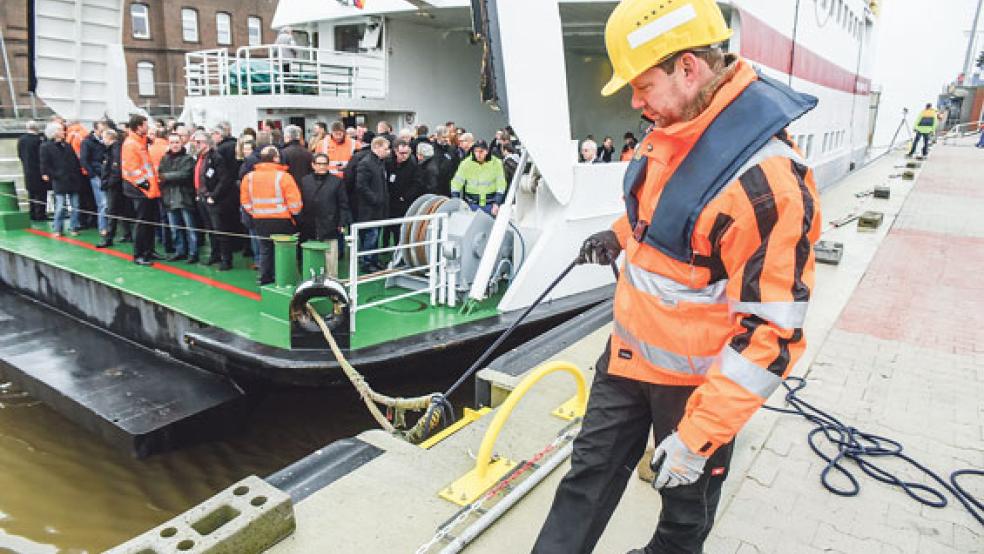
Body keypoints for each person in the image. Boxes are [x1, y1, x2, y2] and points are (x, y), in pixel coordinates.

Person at [533, 1, 821, 553]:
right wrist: (619, 235)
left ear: (688, 68)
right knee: (584, 482)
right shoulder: (675, 125)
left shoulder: (769, 184)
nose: (636, 103)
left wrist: (697, 438)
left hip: (696, 391)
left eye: (641, 86)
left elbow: (772, 334)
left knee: (683, 518)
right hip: (627, 357)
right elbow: (668, 216)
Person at [241, 146, 302, 285]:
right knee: (284, 249)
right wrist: (295, 215)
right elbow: (295, 202)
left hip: (260, 220)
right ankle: (284, 278)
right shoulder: (284, 176)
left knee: (265, 249)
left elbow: (245, 201)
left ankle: (265, 277)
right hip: (283, 220)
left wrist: (255, 212)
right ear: (276, 158)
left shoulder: (249, 177)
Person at [121, 114, 161, 265]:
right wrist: (146, 185)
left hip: (146, 188)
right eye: (145, 125)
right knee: (142, 222)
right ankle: (139, 254)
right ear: (139, 127)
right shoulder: (131, 144)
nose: (148, 128)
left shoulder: (138, 141)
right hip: (139, 189)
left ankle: (149, 251)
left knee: (149, 221)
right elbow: (133, 170)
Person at [192, 130, 234, 270]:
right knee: (210, 229)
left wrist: (213, 196)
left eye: (198, 142)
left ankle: (226, 259)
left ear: (206, 142)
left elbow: (224, 179)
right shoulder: (200, 157)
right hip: (202, 197)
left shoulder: (216, 158)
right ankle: (215, 254)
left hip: (213, 200)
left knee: (219, 230)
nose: (196, 145)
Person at [300, 152, 350, 259]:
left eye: (324, 164)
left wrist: (342, 223)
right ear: (313, 165)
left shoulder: (337, 182)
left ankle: (331, 276)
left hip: (330, 227)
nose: (322, 166)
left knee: (330, 261)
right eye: (319, 163)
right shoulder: (305, 181)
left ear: (328, 165)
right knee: (312, 260)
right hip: (310, 227)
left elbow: (343, 204)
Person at [158, 132, 199, 263]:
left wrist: (166, 176)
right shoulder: (164, 159)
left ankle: (193, 252)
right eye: (172, 142)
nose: (174, 145)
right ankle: (180, 251)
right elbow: (160, 173)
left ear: (181, 143)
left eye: (177, 142)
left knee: (190, 228)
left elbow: (185, 175)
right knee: (175, 228)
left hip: (184, 198)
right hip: (169, 197)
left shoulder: (188, 159)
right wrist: (167, 177)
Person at [39, 121, 84, 237]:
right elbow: (44, 163)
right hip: (59, 180)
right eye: (60, 130)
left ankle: (74, 226)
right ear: (55, 133)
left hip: (72, 179)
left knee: (76, 205)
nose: (63, 132)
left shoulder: (67, 145)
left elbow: (75, 161)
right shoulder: (46, 146)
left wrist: (78, 174)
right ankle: (58, 228)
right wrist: (51, 174)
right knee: (60, 206)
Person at [354, 136, 391, 272]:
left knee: (375, 235)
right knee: (371, 235)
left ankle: (373, 260)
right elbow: (361, 186)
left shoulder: (379, 163)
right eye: (385, 148)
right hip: (370, 209)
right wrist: (375, 199)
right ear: (376, 147)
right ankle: (367, 262)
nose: (388, 151)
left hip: (378, 208)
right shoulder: (366, 163)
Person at [450, 140, 507, 215]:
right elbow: (456, 183)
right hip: (472, 205)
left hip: (490, 205)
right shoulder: (466, 163)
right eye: (476, 151)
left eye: (481, 151)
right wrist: (456, 201)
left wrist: (497, 203)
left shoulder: (496, 163)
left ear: (487, 151)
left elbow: (501, 184)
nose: (478, 154)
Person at [385, 139, 423, 245]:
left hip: (403, 202)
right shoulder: (388, 163)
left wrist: (405, 197)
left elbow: (417, 183)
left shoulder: (413, 165)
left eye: (407, 153)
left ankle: (398, 248)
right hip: (389, 200)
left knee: (400, 228)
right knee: (387, 227)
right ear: (395, 151)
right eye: (402, 153)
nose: (404, 156)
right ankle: (384, 246)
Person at [98, 128, 131, 247]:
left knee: (112, 211)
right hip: (116, 185)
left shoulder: (115, 150)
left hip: (114, 186)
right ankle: (127, 234)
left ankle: (109, 238)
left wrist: (108, 183)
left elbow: (115, 169)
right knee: (121, 210)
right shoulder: (114, 149)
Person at [17, 120, 47, 221]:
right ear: (36, 128)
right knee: (41, 194)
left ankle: (32, 214)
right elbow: (42, 156)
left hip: (27, 169)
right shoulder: (39, 140)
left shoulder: (21, 139)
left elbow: (20, 155)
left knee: (31, 193)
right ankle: (40, 215)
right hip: (39, 170)